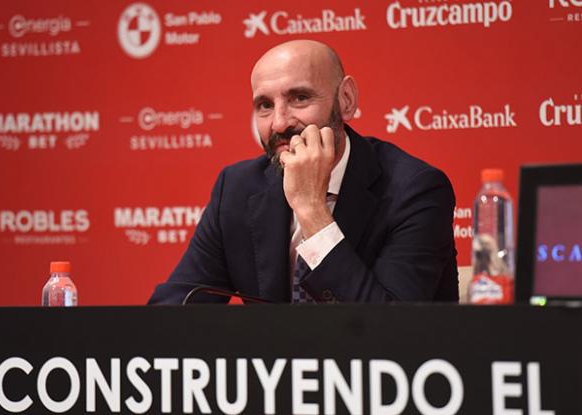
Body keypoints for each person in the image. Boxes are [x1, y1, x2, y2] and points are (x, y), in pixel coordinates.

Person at [148, 40, 458, 304]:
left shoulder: (415, 190)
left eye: (300, 98)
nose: (280, 123)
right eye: (265, 105)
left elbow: (390, 331)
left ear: (345, 100)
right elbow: (174, 311)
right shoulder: (237, 188)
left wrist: (312, 209)